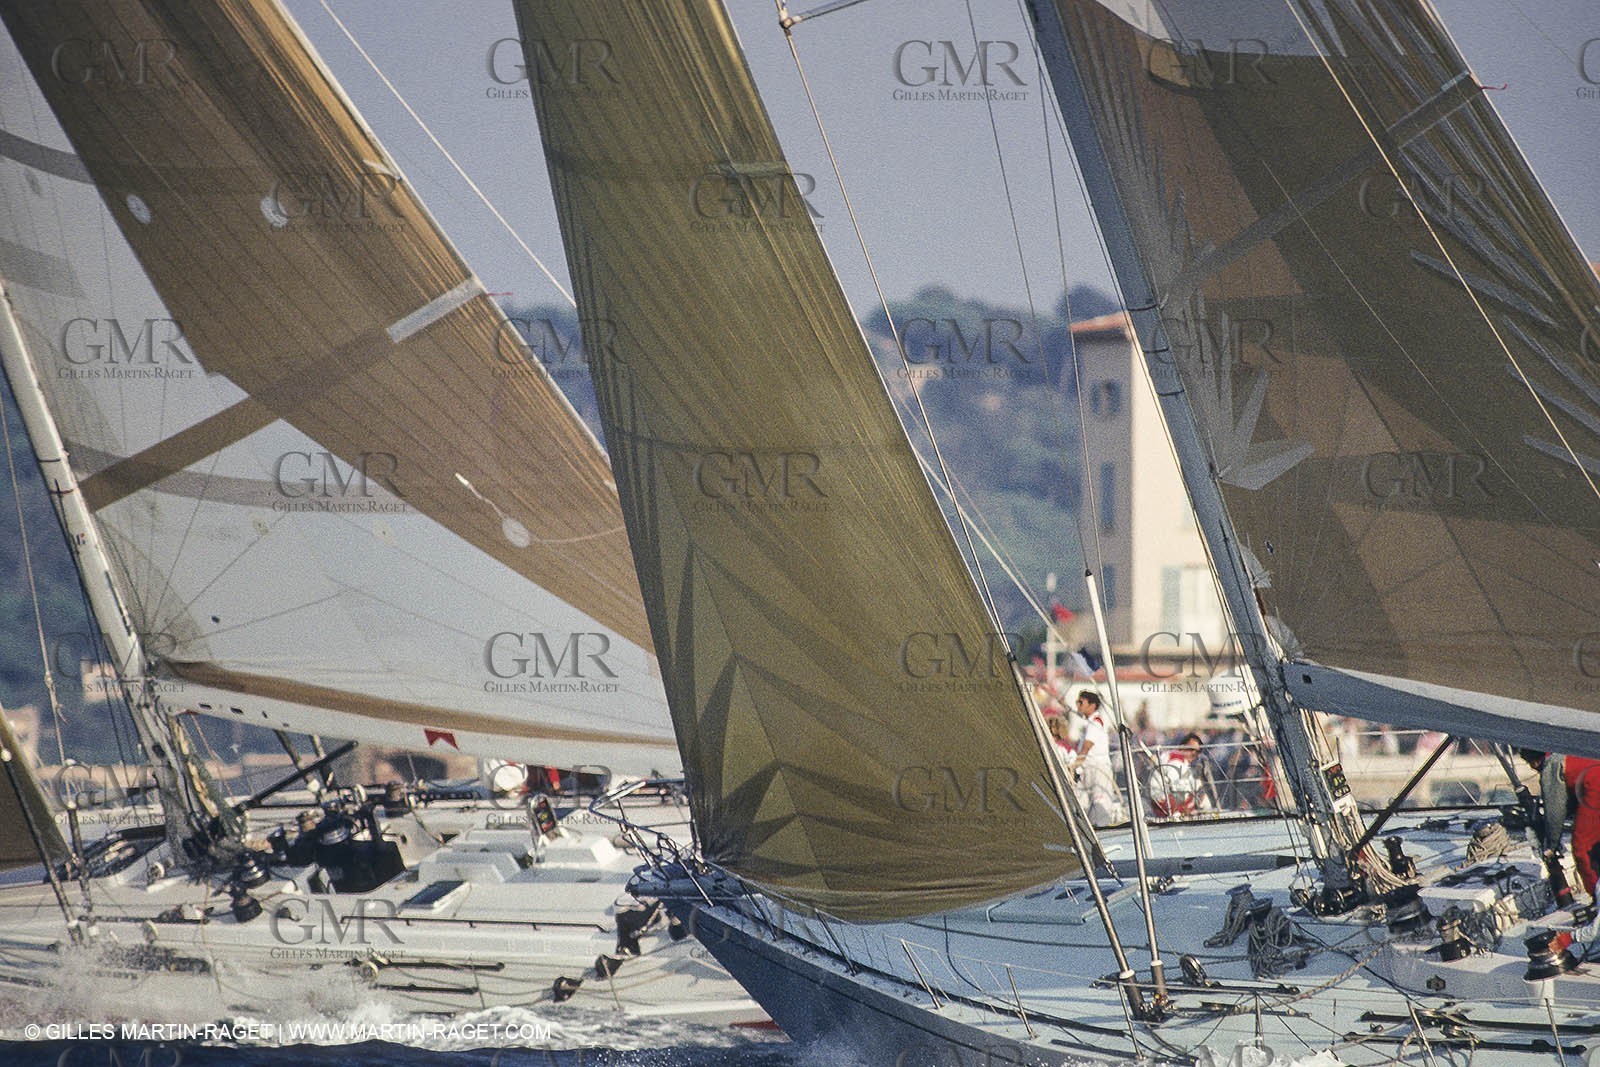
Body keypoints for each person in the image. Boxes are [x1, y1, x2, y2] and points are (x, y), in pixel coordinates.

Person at [1070, 690, 1125, 826]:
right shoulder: (1088, 723)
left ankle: (1102, 828)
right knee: (1082, 802)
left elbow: (1087, 747)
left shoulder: (1096, 722)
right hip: (1087, 769)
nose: (1078, 705)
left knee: (1100, 802)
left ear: (1092, 705)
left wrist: (1074, 766)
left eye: (1081, 702)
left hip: (1098, 768)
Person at [1148, 732, 1205, 818]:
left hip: (1160, 804)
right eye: (1190, 749)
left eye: (1197, 751)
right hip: (1169, 808)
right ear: (1182, 747)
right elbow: (1180, 791)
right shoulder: (1177, 762)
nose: (1194, 754)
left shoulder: (1169, 756)